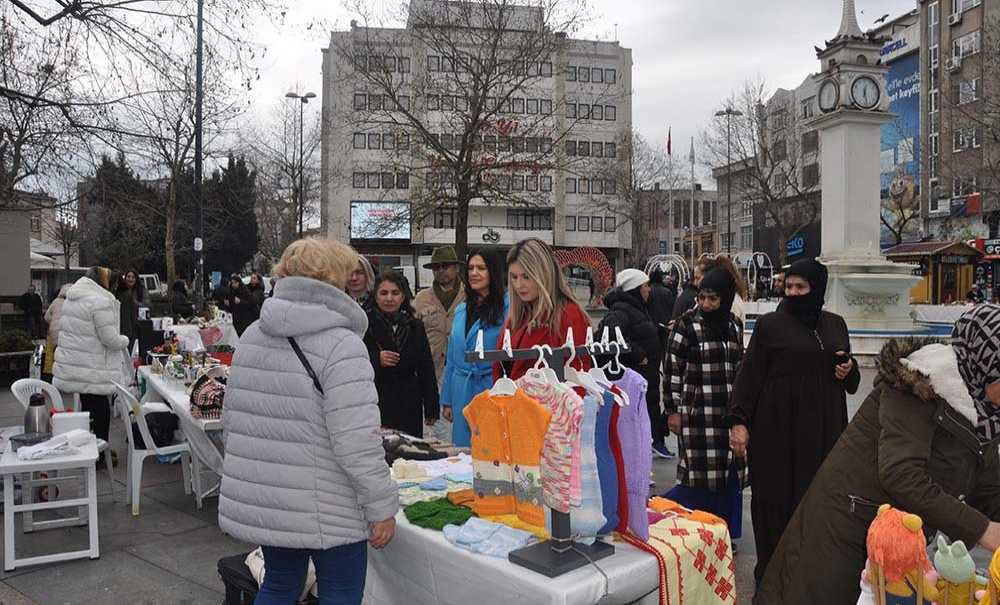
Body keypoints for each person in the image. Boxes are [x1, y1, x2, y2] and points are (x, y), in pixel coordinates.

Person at [755, 304, 1000, 605]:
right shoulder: (918, 383)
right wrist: (982, 530)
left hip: (899, 542)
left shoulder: (986, 414)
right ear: (983, 364)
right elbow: (900, 474)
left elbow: (986, 486)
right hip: (850, 527)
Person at [219, 238, 397, 604]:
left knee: (280, 585)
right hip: (331, 503)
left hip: (274, 498)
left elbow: (232, 420)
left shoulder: (253, 335)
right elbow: (357, 441)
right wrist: (381, 506)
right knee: (341, 593)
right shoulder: (342, 345)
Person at [728, 258, 861, 585]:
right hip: (777, 434)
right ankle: (772, 581)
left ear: (817, 289)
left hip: (823, 434)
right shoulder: (770, 325)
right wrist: (739, 421)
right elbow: (750, 376)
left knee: (818, 506)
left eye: (801, 287)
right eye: (789, 287)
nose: (793, 293)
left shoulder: (835, 325)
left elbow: (849, 377)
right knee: (775, 506)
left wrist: (849, 371)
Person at [663, 266, 746, 538]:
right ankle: (693, 530)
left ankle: (725, 532)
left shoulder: (734, 325)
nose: (706, 304)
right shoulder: (687, 325)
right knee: (696, 473)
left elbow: (740, 367)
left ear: (725, 297)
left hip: (727, 413)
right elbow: (672, 368)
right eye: (702, 298)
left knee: (728, 472)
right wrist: (673, 410)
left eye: (713, 298)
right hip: (697, 415)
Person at [497, 238, 591, 381]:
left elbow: (580, 374)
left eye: (526, 277)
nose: (518, 285)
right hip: (512, 399)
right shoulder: (518, 316)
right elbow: (499, 367)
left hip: (552, 401)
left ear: (544, 274)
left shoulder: (569, 315)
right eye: (514, 277)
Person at [440, 249, 508, 447]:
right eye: (470, 268)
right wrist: (447, 398)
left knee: (490, 451)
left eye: (481, 268)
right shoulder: (462, 309)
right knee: (462, 451)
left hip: (491, 388)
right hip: (461, 390)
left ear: (494, 272)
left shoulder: (508, 308)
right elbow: (452, 358)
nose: (474, 273)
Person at [52, 267, 129, 441]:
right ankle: (100, 450)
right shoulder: (99, 300)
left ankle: (89, 444)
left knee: (88, 408)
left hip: (76, 364)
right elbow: (109, 339)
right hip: (92, 368)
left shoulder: (73, 297)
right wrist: (124, 340)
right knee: (101, 409)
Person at [600, 268, 670, 458]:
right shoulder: (622, 310)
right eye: (646, 286)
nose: (649, 290)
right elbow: (611, 334)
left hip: (646, 375)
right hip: (636, 375)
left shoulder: (638, 309)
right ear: (636, 289)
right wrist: (638, 355)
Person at [364, 271, 440, 437]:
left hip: (409, 402)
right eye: (383, 293)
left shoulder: (415, 326)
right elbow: (354, 361)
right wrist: (376, 359)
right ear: (375, 296)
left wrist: (431, 407)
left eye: (395, 293)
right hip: (377, 399)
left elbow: (425, 366)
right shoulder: (365, 324)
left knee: (410, 454)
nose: (389, 298)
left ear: (403, 296)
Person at [413, 246, 466, 385]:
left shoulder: (470, 297)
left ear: (457, 268)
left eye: (446, 266)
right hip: (431, 372)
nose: (441, 270)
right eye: (436, 267)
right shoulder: (421, 299)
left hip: (463, 371)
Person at [42, 283, 71, 381]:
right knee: (65, 358)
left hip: (53, 334)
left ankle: (49, 377)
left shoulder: (55, 301)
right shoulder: (73, 303)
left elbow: (46, 317)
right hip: (66, 334)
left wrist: (53, 322)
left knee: (51, 356)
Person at [115, 269, 146, 353]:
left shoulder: (140, 290)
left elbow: (147, 304)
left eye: (133, 277)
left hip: (138, 322)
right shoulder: (120, 292)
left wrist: (134, 302)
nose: (130, 279)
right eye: (128, 277)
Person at [647, 267, 677, 345]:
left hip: (652, 325)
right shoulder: (667, 292)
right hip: (665, 325)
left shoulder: (648, 292)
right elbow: (672, 308)